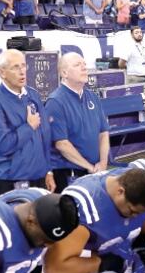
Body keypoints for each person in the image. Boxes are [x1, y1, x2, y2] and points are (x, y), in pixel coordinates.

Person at [0, 49, 55, 195]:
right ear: (2, 72)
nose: (22, 71)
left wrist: (48, 170)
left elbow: (45, 136)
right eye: (15, 67)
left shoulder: (33, 94)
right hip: (10, 180)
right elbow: (1, 145)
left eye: (23, 65)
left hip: (39, 177)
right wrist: (29, 127)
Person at [45, 53, 110, 193]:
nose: (84, 68)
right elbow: (62, 144)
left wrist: (103, 163)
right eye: (77, 65)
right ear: (64, 73)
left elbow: (103, 133)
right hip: (70, 174)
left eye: (84, 64)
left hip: (95, 170)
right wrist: (89, 167)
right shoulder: (55, 102)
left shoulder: (92, 97)